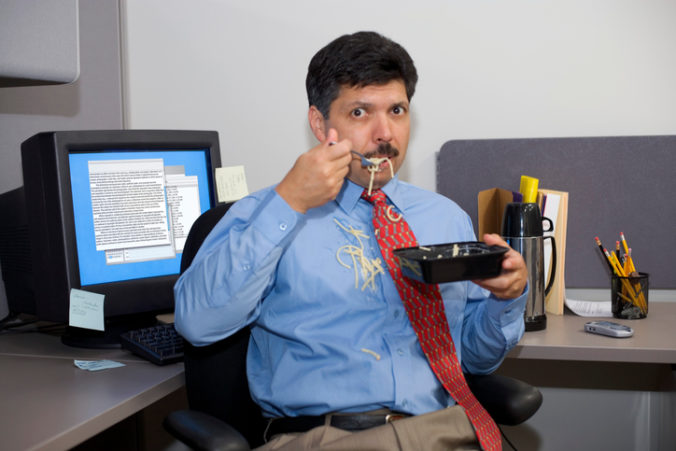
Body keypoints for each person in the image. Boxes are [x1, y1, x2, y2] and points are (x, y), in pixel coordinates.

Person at [174, 31, 528, 450]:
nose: (385, 133)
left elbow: (472, 360)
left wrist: (507, 300)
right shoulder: (265, 213)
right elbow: (197, 324)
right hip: (326, 438)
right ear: (321, 124)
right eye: (360, 112)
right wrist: (289, 202)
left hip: (444, 430)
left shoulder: (444, 218)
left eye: (397, 110)